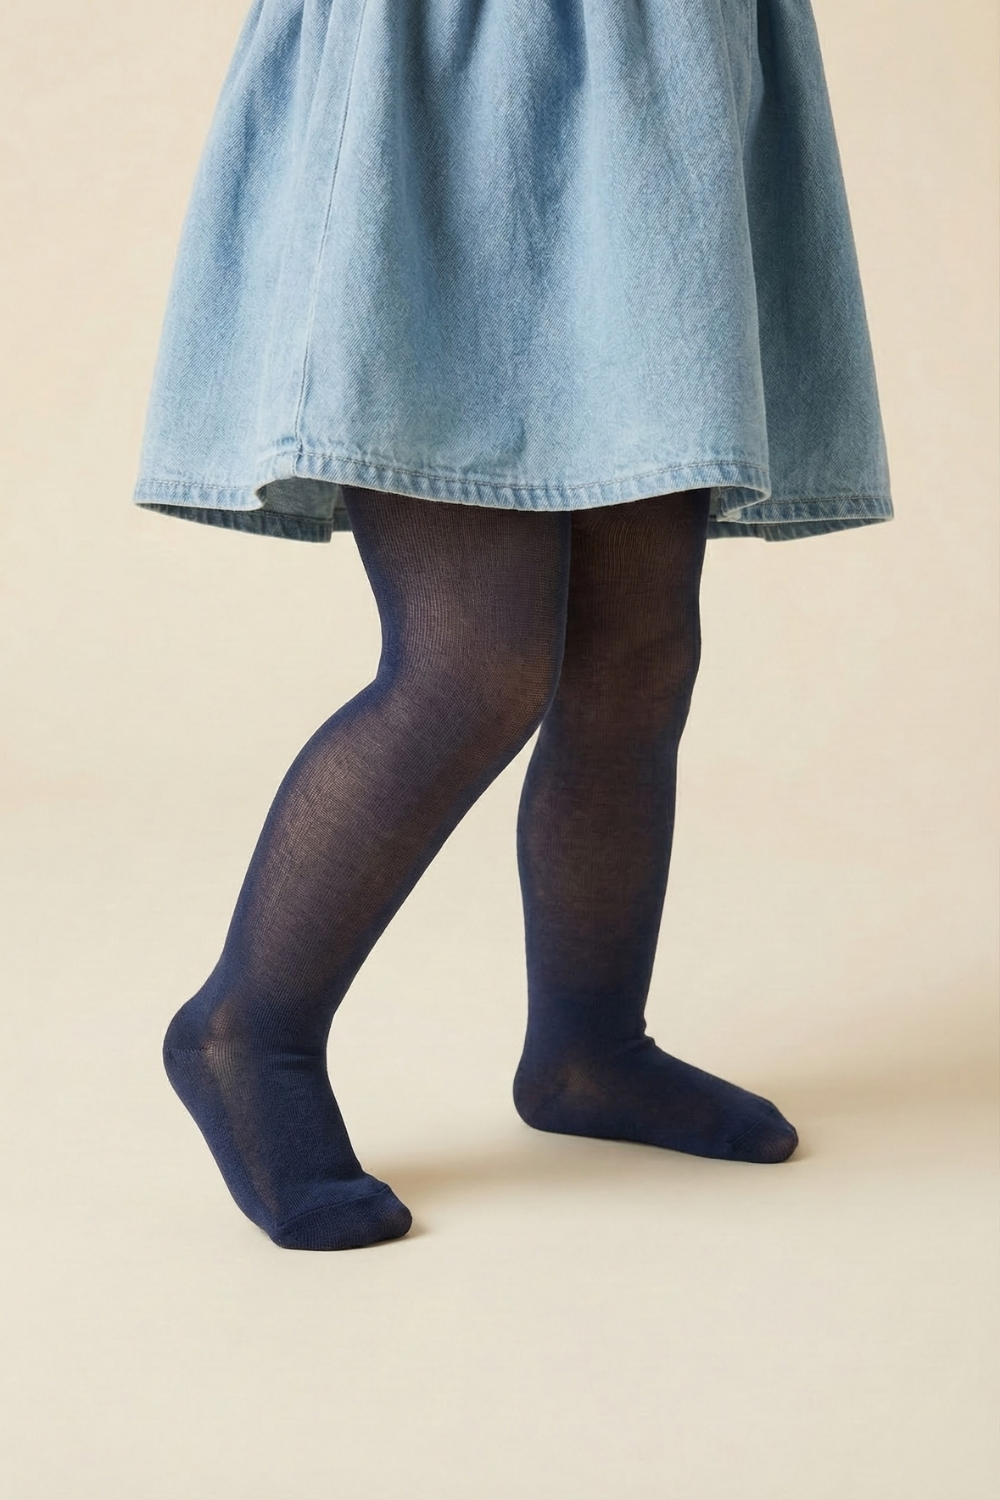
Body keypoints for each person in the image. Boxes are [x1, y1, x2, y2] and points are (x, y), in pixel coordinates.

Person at [133, 0, 893, 1251]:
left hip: (659, 76)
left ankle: (590, 1051)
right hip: (448, 66)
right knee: (472, 663)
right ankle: (246, 1030)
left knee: (636, 652)